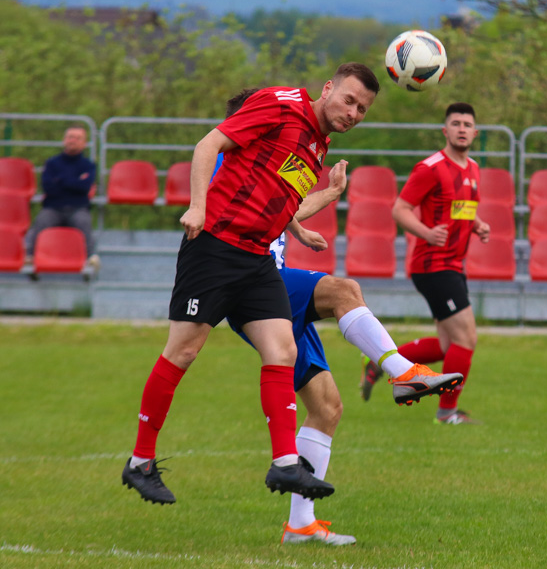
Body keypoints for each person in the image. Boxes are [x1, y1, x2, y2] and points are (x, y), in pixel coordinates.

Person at [120, 63, 389, 506]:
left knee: (282, 349)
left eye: (363, 109)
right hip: (214, 246)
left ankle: (285, 463)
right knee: (183, 351)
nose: (354, 112)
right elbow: (210, 143)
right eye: (349, 100)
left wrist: (303, 227)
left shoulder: (318, 144)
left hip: (256, 257)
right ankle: (140, 462)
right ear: (328, 89)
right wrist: (198, 206)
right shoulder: (280, 104)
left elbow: (277, 197)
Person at [217, 88, 462, 545]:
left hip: (272, 287)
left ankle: (300, 524)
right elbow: (242, 208)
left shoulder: (267, 160)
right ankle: (401, 371)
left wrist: (323, 199)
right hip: (252, 286)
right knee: (343, 290)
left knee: (327, 409)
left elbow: (282, 205)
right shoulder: (228, 159)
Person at [363, 103, 490, 425]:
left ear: (475, 133)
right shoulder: (430, 168)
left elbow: (459, 209)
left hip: (453, 265)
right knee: (467, 339)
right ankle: (447, 413)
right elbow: (400, 209)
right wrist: (426, 232)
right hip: (433, 265)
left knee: (450, 345)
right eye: (456, 123)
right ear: (445, 131)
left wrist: (477, 224)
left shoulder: (473, 168)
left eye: (467, 124)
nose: (462, 128)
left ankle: (380, 362)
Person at [24, 124, 100, 270]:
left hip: (78, 208)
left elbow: (84, 187)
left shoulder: (88, 165)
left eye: (78, 138)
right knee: (42, 221)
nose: (73, 140)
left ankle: (91, 257)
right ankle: (30, 256)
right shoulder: (52, 163)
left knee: (84, 222)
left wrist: (61, 180)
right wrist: (75, 181)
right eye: (71, 137)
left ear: (84, 143)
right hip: (53, 207)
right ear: (64, 140)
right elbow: (48, 187)